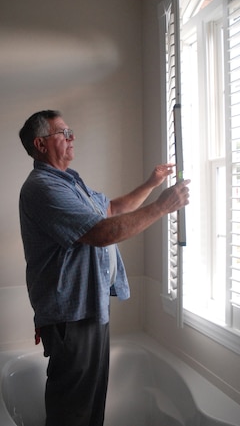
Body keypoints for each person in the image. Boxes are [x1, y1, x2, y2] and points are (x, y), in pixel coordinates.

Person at [18, 109, 190, 426]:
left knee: (89, 401)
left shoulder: (70, 183)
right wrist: (163, 206)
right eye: (63, 132)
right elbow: (102, 232)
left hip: (88, 309)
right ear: (41, 144)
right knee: (73, 409)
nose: (72, 137)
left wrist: (152, 184)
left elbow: (111, 210)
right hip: (71, 315)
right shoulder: (43, 188)